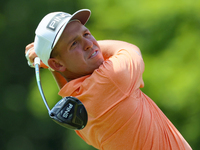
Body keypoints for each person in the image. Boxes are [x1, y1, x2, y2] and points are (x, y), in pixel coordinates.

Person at [25, 9, 192, 150]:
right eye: (74, 44)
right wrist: (49, 60)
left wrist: (50, 62)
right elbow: (128, 49)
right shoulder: (112, 79)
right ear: (58, 63)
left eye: (86, 33)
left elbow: (67, 81)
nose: (89, 43)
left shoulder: (75, 113)